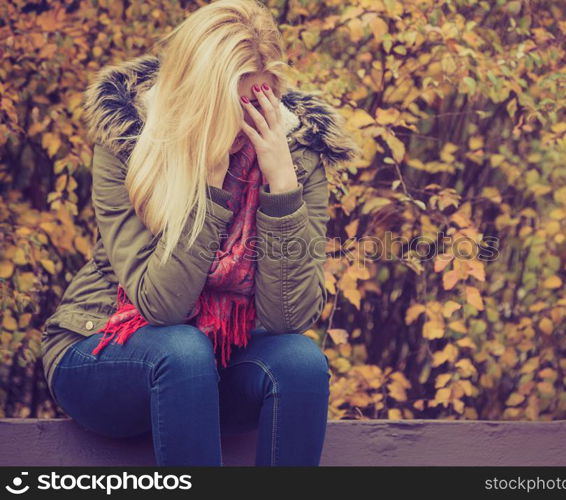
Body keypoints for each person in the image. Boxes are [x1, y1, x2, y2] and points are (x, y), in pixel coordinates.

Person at [40, 0, 360, 466]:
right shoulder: (130, 141)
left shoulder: (295, 153)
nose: (251, 119)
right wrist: (210, 187)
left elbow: (290, 317)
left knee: (300, 362)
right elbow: (161, 305)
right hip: (105, 352)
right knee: (181, 347)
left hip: (217, 364)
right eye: (238, 103)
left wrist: (282, 186)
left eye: (262, 101)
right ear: (202, 96)